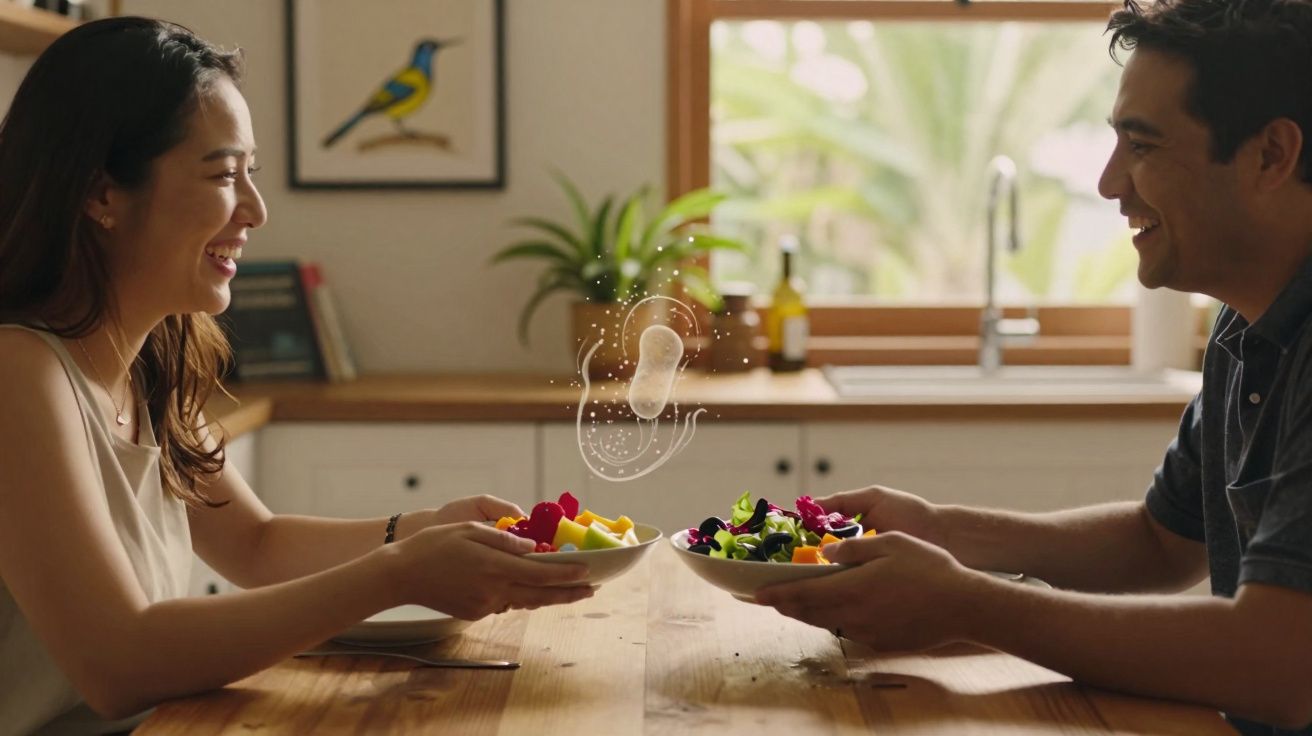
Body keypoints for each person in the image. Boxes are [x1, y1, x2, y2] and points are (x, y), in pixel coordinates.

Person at [0, 17, 593, 735]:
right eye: (223, 174)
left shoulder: (149, 363)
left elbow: (257, 544)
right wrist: (400, 572)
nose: (255, 209)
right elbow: (120, 662)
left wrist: (424, 530)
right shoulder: (19, 373)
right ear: (101, 195)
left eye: (251, 172)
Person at [757, 0, 1312, 733]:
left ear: (1271, 154)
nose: (1111, 184)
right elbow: (1162, 541)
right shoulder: (1246, 325)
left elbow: (1279, 666)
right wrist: (943, 531)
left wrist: (965, 603)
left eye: (1142, 147)